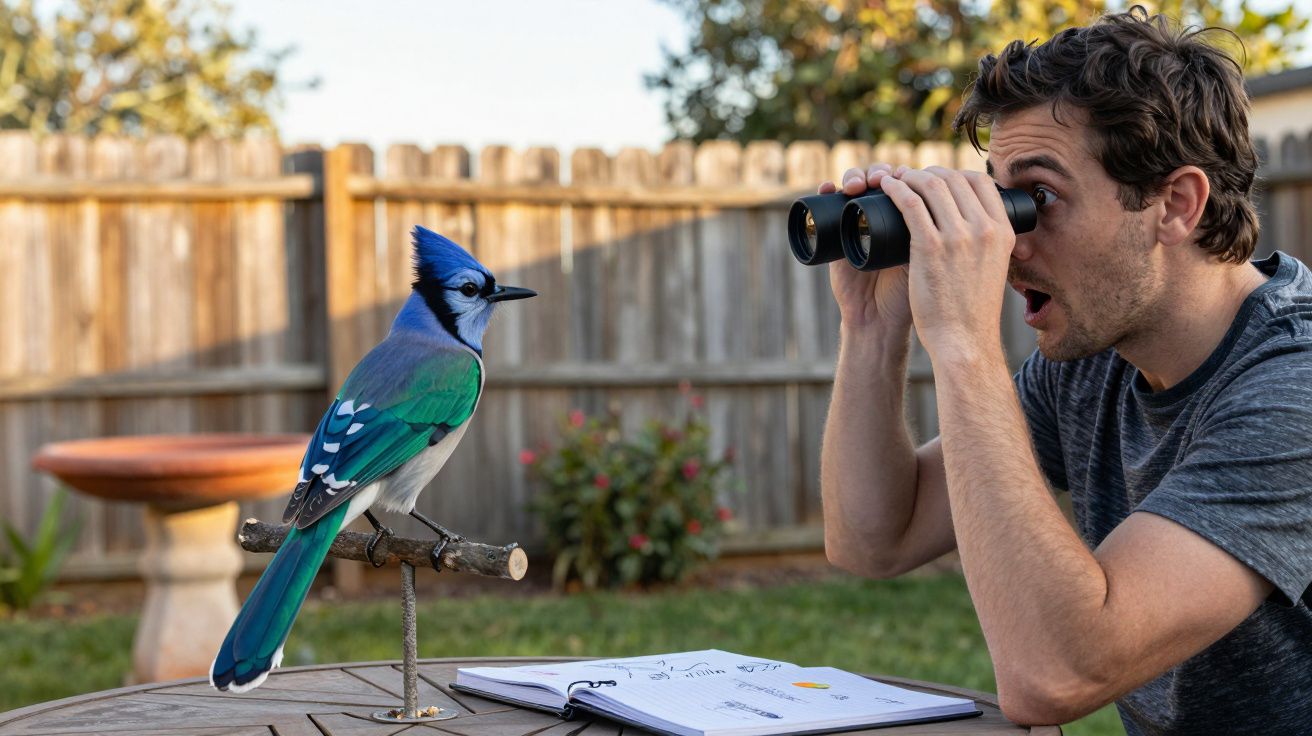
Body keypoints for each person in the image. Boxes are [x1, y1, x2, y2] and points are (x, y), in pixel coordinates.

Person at [817, 6, 1312, 734]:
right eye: (998, 195)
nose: (1007, 241)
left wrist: (962, 342)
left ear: (1175, 204)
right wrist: (871, 328)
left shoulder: (1291, 392)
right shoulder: (1097, 359)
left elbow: (1055, 673)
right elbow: (873, 539)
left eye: (1036, 199)